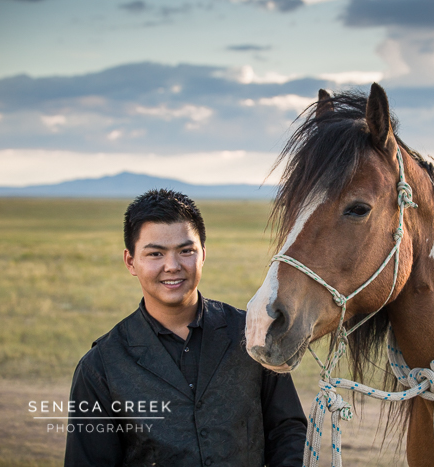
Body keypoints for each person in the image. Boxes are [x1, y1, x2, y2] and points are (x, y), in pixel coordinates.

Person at [64, 189, 306, 466]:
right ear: (131, 262)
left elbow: (288, 432)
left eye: (185, 251)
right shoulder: (100, 367)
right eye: (155, 253)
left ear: (202, 254)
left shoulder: (253, 334)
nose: (172, 266)